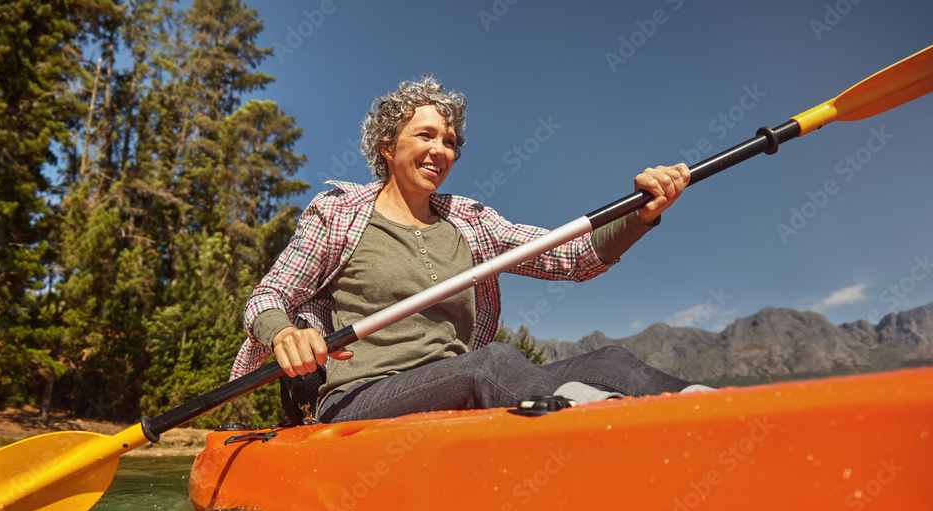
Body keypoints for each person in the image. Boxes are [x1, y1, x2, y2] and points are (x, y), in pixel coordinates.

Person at [230, 76, 709, 424]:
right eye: (426, 135)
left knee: (609, 362)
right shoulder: (337, 213)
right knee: (491, 363)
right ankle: (600, 430)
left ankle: (716, 412)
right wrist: (282, 335)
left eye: (451, 141)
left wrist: (642, 214)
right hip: (360, 397)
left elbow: (574, 258)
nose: (442, 150)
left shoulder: (470, 221)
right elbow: (267, 298)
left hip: (458, 382)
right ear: (386, 146)